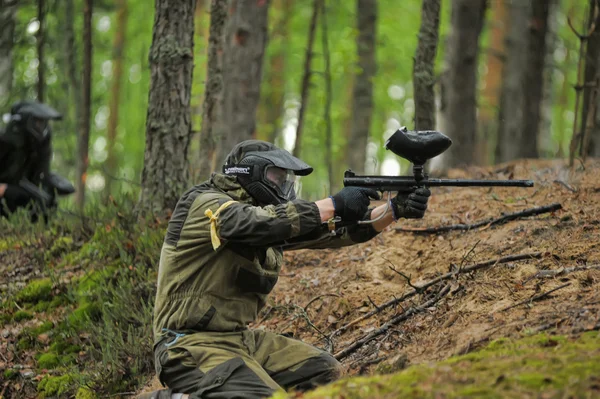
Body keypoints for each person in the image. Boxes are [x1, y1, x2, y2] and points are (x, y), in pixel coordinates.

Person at [142, 140, 430, 399]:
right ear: (250, 173)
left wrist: (393, 210)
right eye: (277, 178)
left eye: (286, 180)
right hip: (186, 346)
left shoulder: (267, 215)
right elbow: (252, 222)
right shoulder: (206, 203)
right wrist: (333, 204)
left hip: (238, 341)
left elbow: (326, 232)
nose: (285, 187)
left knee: (324, 372)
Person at [0, 100, 73, 220]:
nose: (40, 126)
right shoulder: (5, 141)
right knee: (17, 195)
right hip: (7, 194)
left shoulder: (40, 146)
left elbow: (41, 174)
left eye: (43, 122)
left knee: (46, 201)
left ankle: (42, 231)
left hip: (21, 190)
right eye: (37, 121)